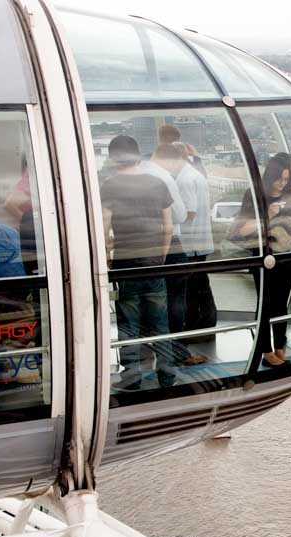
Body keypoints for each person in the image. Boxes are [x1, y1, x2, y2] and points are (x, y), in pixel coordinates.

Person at [101, 135, 176, 390]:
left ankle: (131, 378)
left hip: (126, 263)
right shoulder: (158, 183)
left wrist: (108, 256)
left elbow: (104, 227)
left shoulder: (110, 186)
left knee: (128, 323)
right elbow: (168, 227)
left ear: (114, 158)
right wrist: (161, 256)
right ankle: (167, 375)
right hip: (154, 261)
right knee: (160, 323)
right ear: (138, 155)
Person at [232, 153, 291, 367]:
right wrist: (268, 215)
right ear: (270, 176)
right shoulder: (253, 195)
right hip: (263, 258)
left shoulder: (289, 196)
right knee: (266, 306)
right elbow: (243, 230)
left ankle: (279, 346)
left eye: (287, 179)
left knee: (281, 305)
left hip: (286, 255)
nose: (282, 184)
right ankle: (266, 351)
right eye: (279, 179)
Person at [151, 144, 206, 366]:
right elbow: (181, 215)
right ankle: (178, 353)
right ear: (173, 160)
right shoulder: (165, 178)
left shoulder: (141, 171)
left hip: (144, 245)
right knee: (175, 301)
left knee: (152, 301)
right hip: (170, 245)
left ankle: (155, 352)